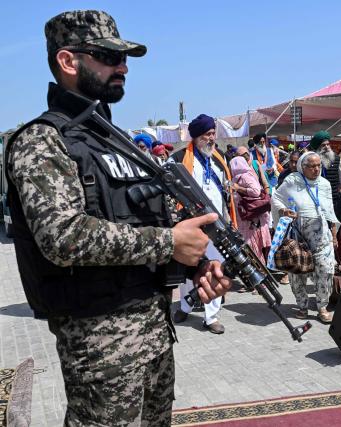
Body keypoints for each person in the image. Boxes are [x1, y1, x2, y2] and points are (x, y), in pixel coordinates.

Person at [4, 10, 230, 426]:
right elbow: (62, 236)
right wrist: (169, 243)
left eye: (123, 58)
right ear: (68, 62)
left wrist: (193, 263)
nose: (122, 67)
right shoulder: (42, 140)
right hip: (98, 339)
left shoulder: (113, 138)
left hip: (153, 328)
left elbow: (146, 217)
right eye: (107, 56)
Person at [171, 114, 235, 334]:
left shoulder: (218, 159)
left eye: (213, 133)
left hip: (218, 226)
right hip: (191, 225)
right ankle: (185, 306)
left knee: (215, 268)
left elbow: (226, 191)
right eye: (207, 134)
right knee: (189, 267)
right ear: (197, 137)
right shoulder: (179, 158)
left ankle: (211, 316)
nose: (212, 138)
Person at [272, 152, 340, 323]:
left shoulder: (324, 184)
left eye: (318, 165)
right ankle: (302, 305)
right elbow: (276, 198)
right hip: (299, 236)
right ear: (302, 167)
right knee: (298, 272)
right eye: (311, 166)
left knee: (325, 271)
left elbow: (330, 211)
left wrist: (333, 235)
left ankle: (322, 307)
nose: (316, 169)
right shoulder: (292, 181)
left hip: (322, 237)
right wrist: (283, 211)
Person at [229, 156, 271, 264]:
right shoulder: (235, 178)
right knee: (250, 245)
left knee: (254, 245)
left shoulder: (246, 176)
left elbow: (256, 191)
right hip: (246, 217)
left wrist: (239, 188)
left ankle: (260, 271)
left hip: (253, 217)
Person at [308, 131, 341, 201]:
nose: (326, 147)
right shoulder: (313, 160)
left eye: (328, 144)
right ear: (318, 147)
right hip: (318, 196)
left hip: (334, 196)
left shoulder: (337, 158)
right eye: (323, 145)